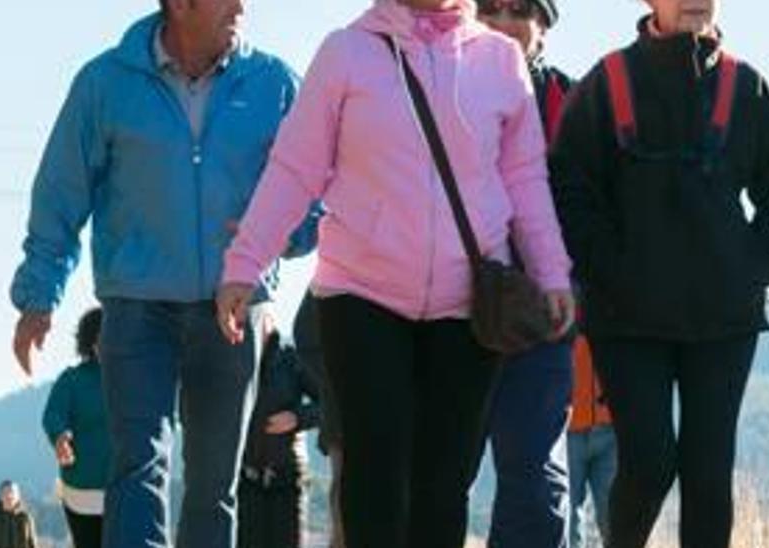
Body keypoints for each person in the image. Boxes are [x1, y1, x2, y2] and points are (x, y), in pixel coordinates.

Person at [216, 0, 577, 545]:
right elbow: (295, 166)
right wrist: (245, 262)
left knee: (444, 481)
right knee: (374, 474)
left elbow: (525, 179)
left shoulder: (500, 61)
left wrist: (551, 272)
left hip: (467, 304)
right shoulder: (346, 54)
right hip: (361, 294)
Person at [8, 0, 316, 545]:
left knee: (212, 481)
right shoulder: (105, 83)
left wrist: (271, 233)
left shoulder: (275, 85)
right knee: (137, 465)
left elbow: (316, 199)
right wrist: (38, 295)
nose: (244, 6)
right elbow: (61, 191)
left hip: (236, 308)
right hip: (136, 307)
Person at [549, 0, 769, 545]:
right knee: (648, 464)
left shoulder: (748, 88)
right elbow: (568, 188)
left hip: (724, 318)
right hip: (627, 318)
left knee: (709, 477)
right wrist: (606, 268)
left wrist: (756, 267)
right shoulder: (608, 82)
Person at [474, 0, 575, 545]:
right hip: (443, 305)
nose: (504, 22)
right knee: (439, 470)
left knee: (534, 477)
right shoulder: (434, 89)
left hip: (541, 314)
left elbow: (597, 210)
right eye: (489, 9)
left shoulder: (576, 103)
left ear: (544, 26)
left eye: (520, 10)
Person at [236, 314, 321, 548]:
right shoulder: (233, 355)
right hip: (245, 480)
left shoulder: (292, 357)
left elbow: (330, 405)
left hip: (288, 478)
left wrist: (297, 418)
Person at [41, 308, 109, 548]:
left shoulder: (133, 378)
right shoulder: (73, 379)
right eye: (102, 336)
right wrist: (59, 437)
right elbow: (53, 415)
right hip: (82, 489)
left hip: (124, 488)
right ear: (90, 341)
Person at [289, 295, 342, 548]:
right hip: (348, 417)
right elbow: (306, 337)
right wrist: (341, 385)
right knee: (348, 510)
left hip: (412, 417)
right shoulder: (341, 263)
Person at [566, 336, 615, 548]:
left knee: (616, 520)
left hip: (612, 430)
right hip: (565, 430)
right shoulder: (558, 304)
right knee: (566, 521)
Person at [0, 482, 36, 548]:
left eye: (12, 492)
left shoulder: (25, 518)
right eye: (5, 493)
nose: (9, 496)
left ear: (18, 497)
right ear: (0, 496)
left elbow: (32, 544)